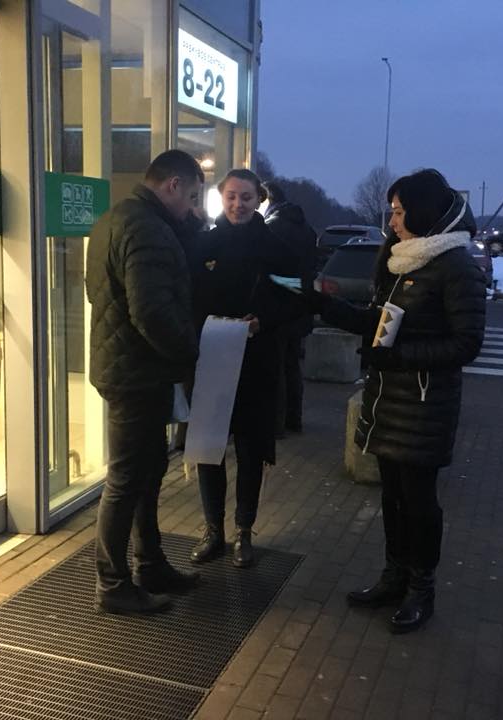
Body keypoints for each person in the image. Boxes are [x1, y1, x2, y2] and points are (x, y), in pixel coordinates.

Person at [307, 168, 486, 633]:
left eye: (400, 211)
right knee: (393, 497)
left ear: (423, 212)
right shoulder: (399, 259)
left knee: (419, 502)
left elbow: (467, 344)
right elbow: (379, 323)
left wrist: (401, 358)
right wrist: (324, 306)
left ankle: (421, 589)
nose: (393, 221)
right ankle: (394, 576)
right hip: (388, 398)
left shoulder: (455, 267)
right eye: (392, 211)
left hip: (425, 405)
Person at [86, 149, 204, 615]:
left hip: (126, 368)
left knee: (147, 472)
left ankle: (150, 564)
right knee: (126, 479)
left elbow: (99, 291)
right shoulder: (147, 229)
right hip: (138, 374)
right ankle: (113, 584)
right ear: (173, 185)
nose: (192, 209)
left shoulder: (113, 219)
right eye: (191, 197)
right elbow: (152, 312)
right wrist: (191, 352)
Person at [186, 169, 304, 568]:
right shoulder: (204, 244)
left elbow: (295, 298)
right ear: (221, 198)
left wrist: (263, 321)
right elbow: (187, 297)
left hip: (257, 361)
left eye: (247, 197)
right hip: (211, 358)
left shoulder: (275, 248)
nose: (238, 204)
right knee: (209, 448)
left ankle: (244, 532)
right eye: (232, 197)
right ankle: (212, 530)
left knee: (251, 450)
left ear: (259, 201)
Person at [263, 181, 317, 435]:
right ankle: (294, 419)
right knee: (292, 364)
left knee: (276, 367)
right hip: (301, 304)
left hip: (279, 304)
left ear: (268, 199)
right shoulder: (306, 228)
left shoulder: (272, 227)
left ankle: (276, 424)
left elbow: (270, 269)